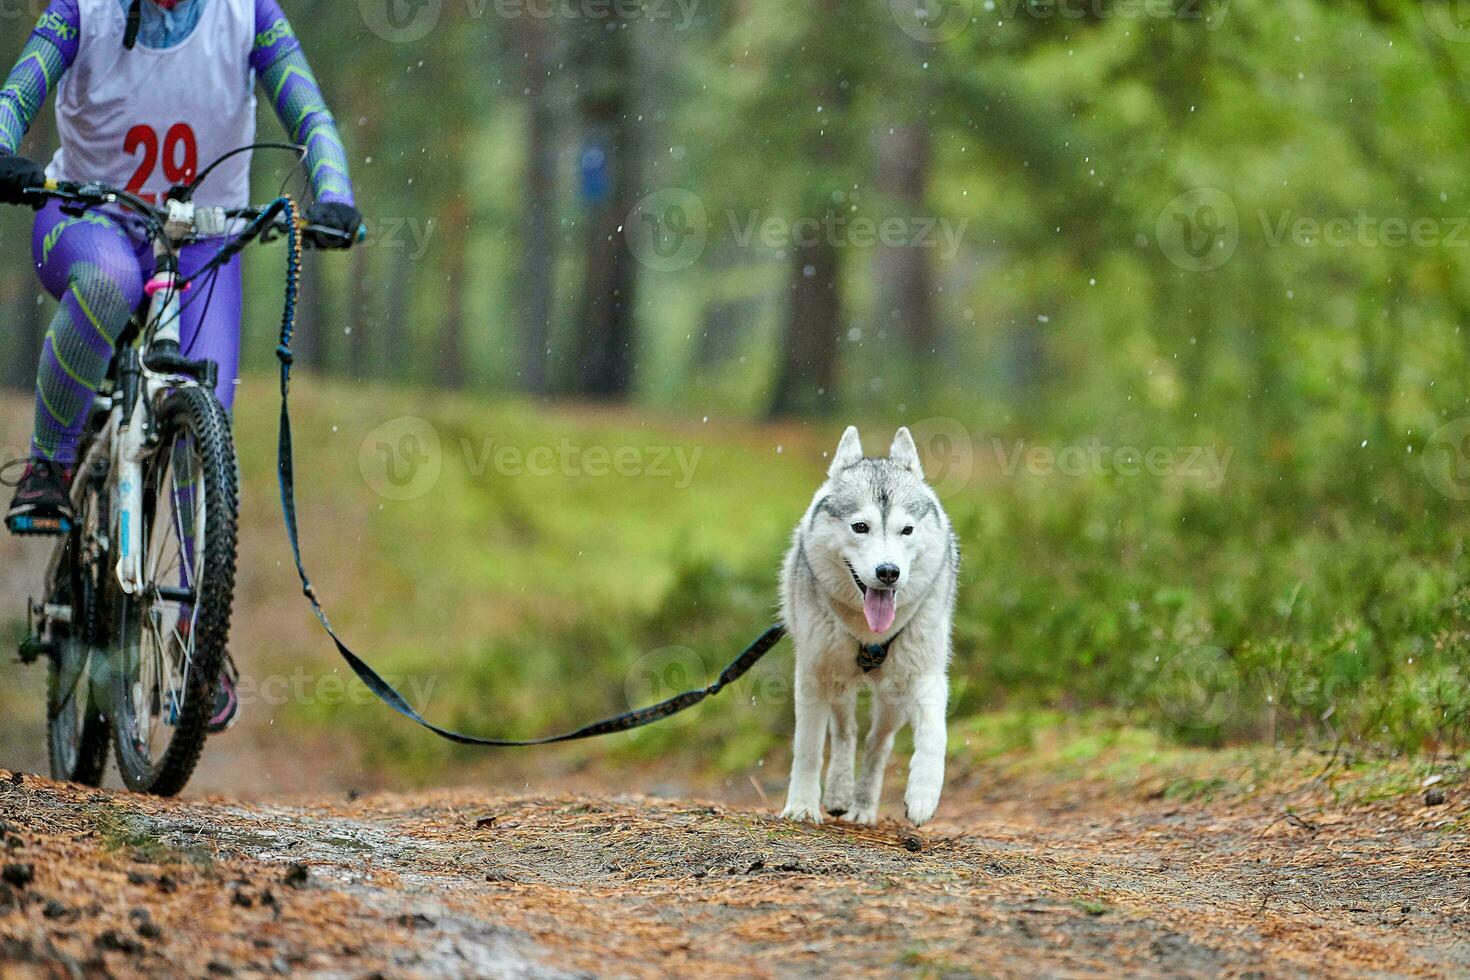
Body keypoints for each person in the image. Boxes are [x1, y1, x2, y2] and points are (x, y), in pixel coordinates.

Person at [0, 0, 362, 729]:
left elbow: (310, 115)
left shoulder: (249, 15)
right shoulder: (82, 11)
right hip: (86, 218)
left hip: (203, 238)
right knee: (108, 287)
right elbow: (16, 97)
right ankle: (50, 463)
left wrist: (333, 196)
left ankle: (202, 644)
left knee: (208, 412)